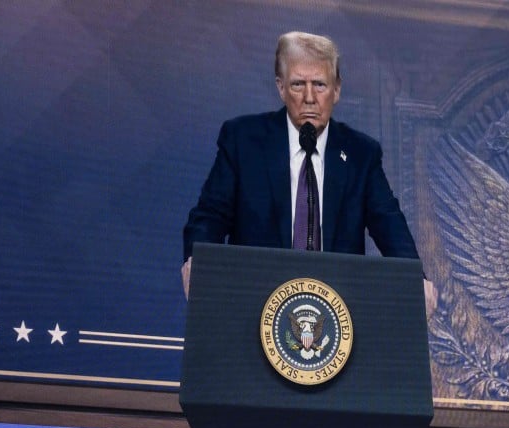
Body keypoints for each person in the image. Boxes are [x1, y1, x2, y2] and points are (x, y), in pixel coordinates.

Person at [181, 31, 435, 313]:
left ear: (337, 90)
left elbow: (389, 224)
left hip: (336, 317)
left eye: (320, 85)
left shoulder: (361, 154)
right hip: (254, 307)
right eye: (298, 84)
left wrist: (414, 278)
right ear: (280, 88)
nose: (310, 98)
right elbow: (210, 216)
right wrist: (197, 260)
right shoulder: (243, 141)